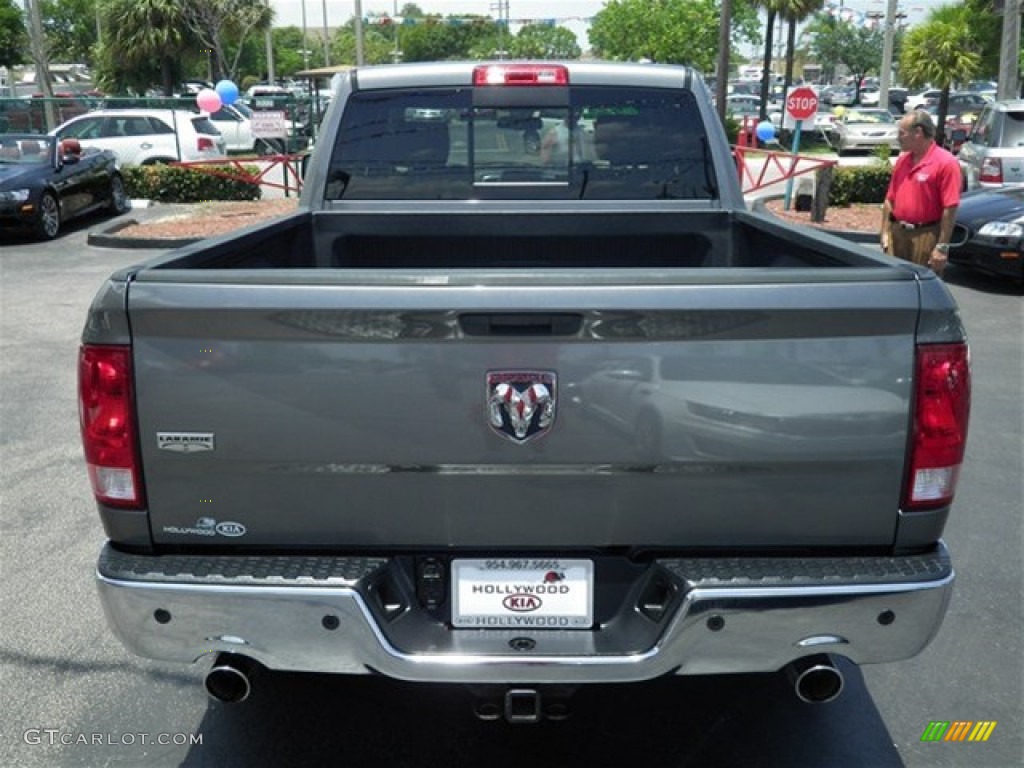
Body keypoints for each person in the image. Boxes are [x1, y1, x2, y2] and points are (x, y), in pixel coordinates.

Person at [879, 110, 960, 277]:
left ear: (918, 132)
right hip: (897, 234)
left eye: (902, 133)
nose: (898, 137)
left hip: (925, 236)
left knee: (923, 291)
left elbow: (950, 208)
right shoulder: (903, 160)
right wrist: (885, 232)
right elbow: (890, 199)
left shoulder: (946, 163)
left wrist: (942, 247)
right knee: (893, 289)